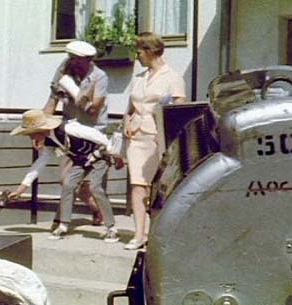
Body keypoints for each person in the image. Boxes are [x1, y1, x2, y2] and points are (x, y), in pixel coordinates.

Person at [42, 40, 120, 241]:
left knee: (93, 186)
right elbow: (51, 102)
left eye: (77, 59)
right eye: (71, 58)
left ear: (88, 60)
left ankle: (108, 224)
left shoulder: (99, 77)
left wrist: (72, 89)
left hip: (94, 136)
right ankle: (64, 222)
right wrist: (40, 130)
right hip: (72, 136)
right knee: (66, 182)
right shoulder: (63, 72)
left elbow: (93, 109)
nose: (72, 62)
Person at [122, 31, 186, 250]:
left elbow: (178, 108)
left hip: (157, 138)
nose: (137, 56)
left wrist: (165, 132)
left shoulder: (172, 77)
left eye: (139, 51)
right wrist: (126, 122)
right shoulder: (139, 77)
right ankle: (139, 234)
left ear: (149, 51)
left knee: (156, 187)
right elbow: (130, 107)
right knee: (137, 184)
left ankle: (157, 234)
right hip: (136, 137)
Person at [10, 109, 115, 240]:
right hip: (81, 161)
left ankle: (111, 227)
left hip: (100, 156)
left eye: (31, 134)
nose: (31, 138)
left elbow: (100, 138)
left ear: (40, 130)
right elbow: (40, 163)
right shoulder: (49, 141)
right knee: (68, 185)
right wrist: (22, 188)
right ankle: (63, 224)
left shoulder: (69, 129)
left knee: (95, 187)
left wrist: (114, 155)